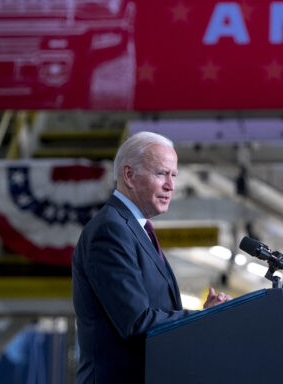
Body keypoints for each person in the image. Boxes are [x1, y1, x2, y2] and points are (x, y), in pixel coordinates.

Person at [72, 131, 230, 383]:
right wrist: (203, 316)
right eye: (161, 173)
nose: (171, 185)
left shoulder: (133, 229)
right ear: (129, 175)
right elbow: (136, 322)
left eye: (174, 175)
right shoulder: (110, 230)